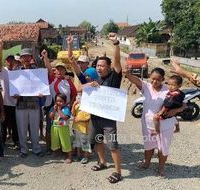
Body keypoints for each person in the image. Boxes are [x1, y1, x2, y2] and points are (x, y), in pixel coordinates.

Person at [124, 67, 185, 178]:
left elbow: (183, 105)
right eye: (152, 79)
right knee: (148, 145)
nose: (154, 82)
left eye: (157, 79)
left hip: (165, 125)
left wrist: (174, 111)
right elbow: (135, 80)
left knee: (163, 148)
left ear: (162, 79)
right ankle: (147, 163)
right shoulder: (146, 87)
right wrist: (127, 74)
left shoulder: (169, 89)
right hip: (148, 125)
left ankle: (161, 168)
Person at [87, 33, 123, 184]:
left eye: (102, 65)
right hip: (95, 118)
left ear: (109, 67)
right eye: (97, 66)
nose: (99, 68)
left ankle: (118, 172)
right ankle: (102, 162)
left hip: (109, 120)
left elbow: (117, 61)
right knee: (97, 141)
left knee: (113, 145)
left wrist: (115, 44)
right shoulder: (96, 80)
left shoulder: (114, 77)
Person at [13, 48, 44, 158]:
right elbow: (13, 88)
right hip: (20, 104)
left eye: (28, 56)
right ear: (20, 59)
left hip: (34, 103)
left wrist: (42, 92)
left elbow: (42, 85)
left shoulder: (37, 71)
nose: (26, 58)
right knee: (22, 129)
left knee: (35, 128)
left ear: (31, 58)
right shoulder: (16, 71)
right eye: (24, 56)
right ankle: (24, 149)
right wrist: (14, 94)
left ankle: (36, 148)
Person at [0, 40, 19, 146]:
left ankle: (16, 141)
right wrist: (0, 48)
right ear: (5, 61)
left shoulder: (18, 73)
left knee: (15, 124)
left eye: (11, 60)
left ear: (14, 61)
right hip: (4, 102)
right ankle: (2, 141)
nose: (10, 62)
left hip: (15, 102)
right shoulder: (2, 71)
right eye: (8, 60)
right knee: (3, 123)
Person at [49, 93, 72, 163]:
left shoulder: (66, 109)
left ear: (65, 102)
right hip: (54, 127)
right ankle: (56, 151)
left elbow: (65, 117)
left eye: (61, 101)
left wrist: (59, 110)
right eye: (57, 101)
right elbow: (51, 116)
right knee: (55, 140)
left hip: (63, 128)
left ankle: (69, 155)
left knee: (65, 141)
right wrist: (54, 110)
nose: (59, 103)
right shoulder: (53, 108)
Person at [71, 88, 91, 164]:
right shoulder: (77, 105)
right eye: (78, 95)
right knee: (77, 142)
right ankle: (78, 155)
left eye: (81, 95)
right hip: (76, 127)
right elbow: (73, 114)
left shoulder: (88, 106)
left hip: (84, 128)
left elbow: (88, 118)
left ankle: (86, 156)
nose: (79, 96)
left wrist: (79, 120)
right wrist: (73, 105)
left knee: (85, 142)